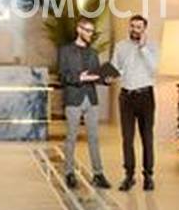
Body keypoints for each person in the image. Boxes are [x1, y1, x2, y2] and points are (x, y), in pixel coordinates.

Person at [59, 18, 111, 190]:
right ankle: (69, 173)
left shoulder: (93, 53)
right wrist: (80, 77)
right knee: (71, 137)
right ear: (79, 29)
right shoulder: (65, 51)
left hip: (91, 99)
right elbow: (63, 76)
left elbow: (96, 76)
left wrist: (105, 80)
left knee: (94, 138)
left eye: (92, 31)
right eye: (87, 30)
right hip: (73, 99)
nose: (90, 34)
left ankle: (98, 174)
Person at [112, 14, 159, 192]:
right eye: (132, 26)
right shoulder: (121, 46)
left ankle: (148, 176)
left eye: (139, 27)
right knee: (127, 138)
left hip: (145, 96)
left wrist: (143, 48)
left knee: (147, 137)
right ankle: (129, 176)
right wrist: (108, 75)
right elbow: (115, 67)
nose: (135, 30)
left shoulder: (152, 46)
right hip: (126, 97)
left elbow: (154, 69)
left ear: (144, 29)